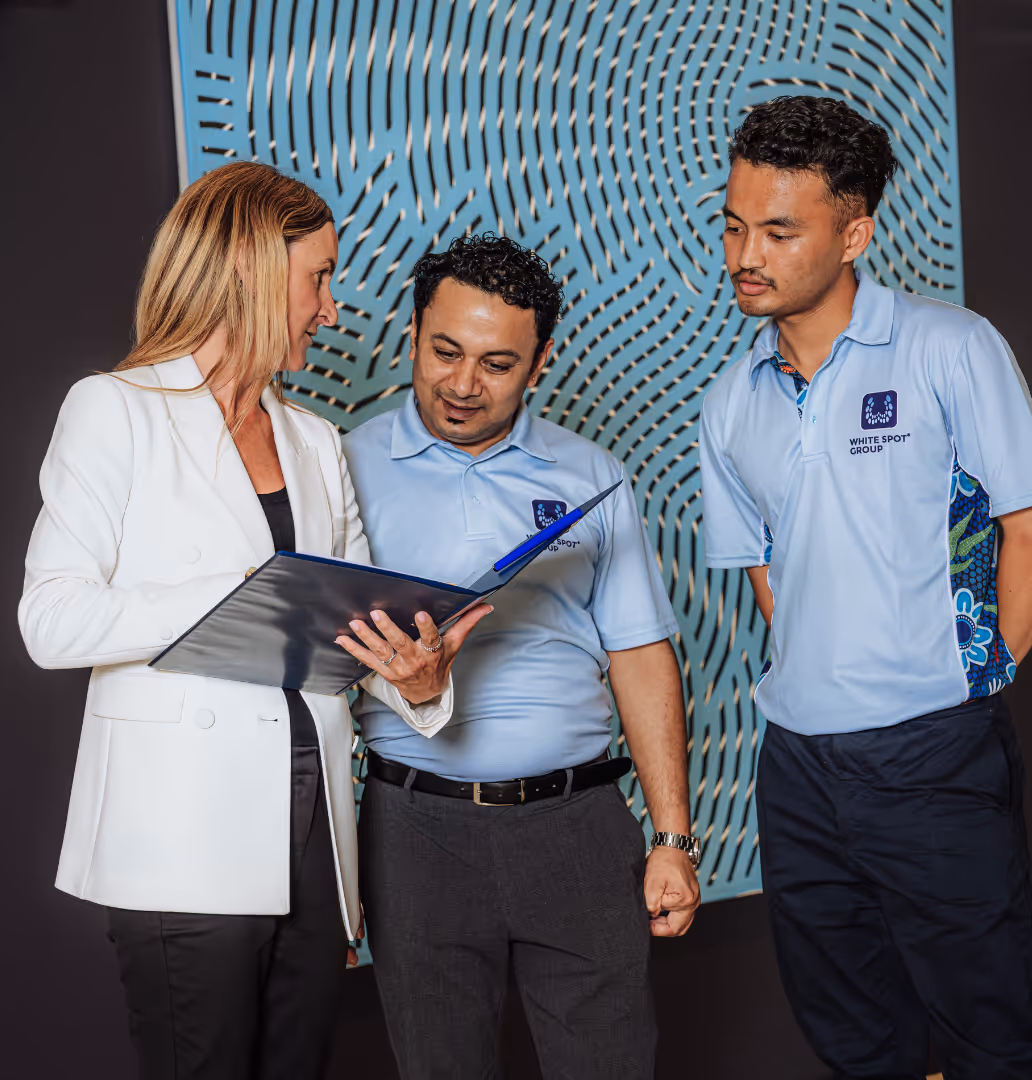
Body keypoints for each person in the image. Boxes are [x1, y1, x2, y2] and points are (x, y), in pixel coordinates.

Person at [18, 161, 490, 1080]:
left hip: (314, 840)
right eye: (318, 277)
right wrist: (239, 589)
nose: (330, 306)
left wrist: (418, 682)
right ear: (247, 268)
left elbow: (346, 635)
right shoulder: (113, 411)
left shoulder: (313, 440)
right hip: (180, 838)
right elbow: (50, 621)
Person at [699, 95, 1032, 1078]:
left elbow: (1025, 528)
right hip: (797, 766)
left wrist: (980, 673)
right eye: (733, 223)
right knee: (851, 1031)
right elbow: (767, 574)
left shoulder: (950, 349)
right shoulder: (729, 403)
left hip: (933, 751)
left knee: (990, 1026)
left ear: (855, 232)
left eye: (777, 231)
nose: (743, 253)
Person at [340, 232, 700, 1079]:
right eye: (445, 351)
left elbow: (642, 657)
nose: (463, 384)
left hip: (576, 828)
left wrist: (674, 838)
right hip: (412, 828)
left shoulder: (593, 477)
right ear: (414, 333)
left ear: (539, 365)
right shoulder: (337, 468)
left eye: (498, 364)